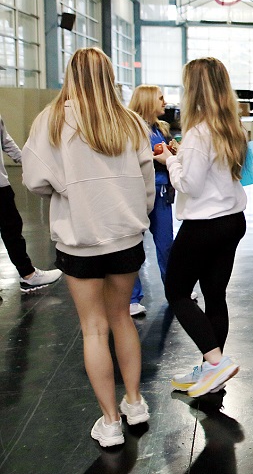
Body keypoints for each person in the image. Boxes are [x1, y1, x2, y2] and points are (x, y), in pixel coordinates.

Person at [22, 47, 154, 447]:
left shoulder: (51, 121)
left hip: (80, 240)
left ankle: (110, 422)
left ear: (71, 75)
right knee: (122, 319)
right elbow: (147, 183)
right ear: (110, 76)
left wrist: (66, 191)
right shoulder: (130, 121)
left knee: (94, 330)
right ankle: (135, 403)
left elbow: (33, 180)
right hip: (126, 237)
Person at [156, 57, 247, 398]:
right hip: (231, 222)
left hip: (203, 226)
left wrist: (170, 161)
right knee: (214, 295)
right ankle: (212, 368)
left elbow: (189, 185)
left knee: (177, 292)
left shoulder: (197, 133)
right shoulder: (231, 128)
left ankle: (214, 363)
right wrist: (183, 157)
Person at [127, 85, 178, 317]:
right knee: (133, 245)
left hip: (161, 192)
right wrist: (154, 157)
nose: (164, 102)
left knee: (166, 243)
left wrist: (171, 152)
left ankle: (175, 289)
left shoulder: (160, 128)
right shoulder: (130, 129)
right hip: (138, 192)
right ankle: (131, 297)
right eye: (160, 98)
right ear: (148, 101)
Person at [0, 114, 63, 294]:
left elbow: (5, 141)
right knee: (11, 229)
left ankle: (28, 275)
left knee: (12, 228)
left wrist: (28, 163)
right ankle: (27, 274)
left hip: (1, 186)